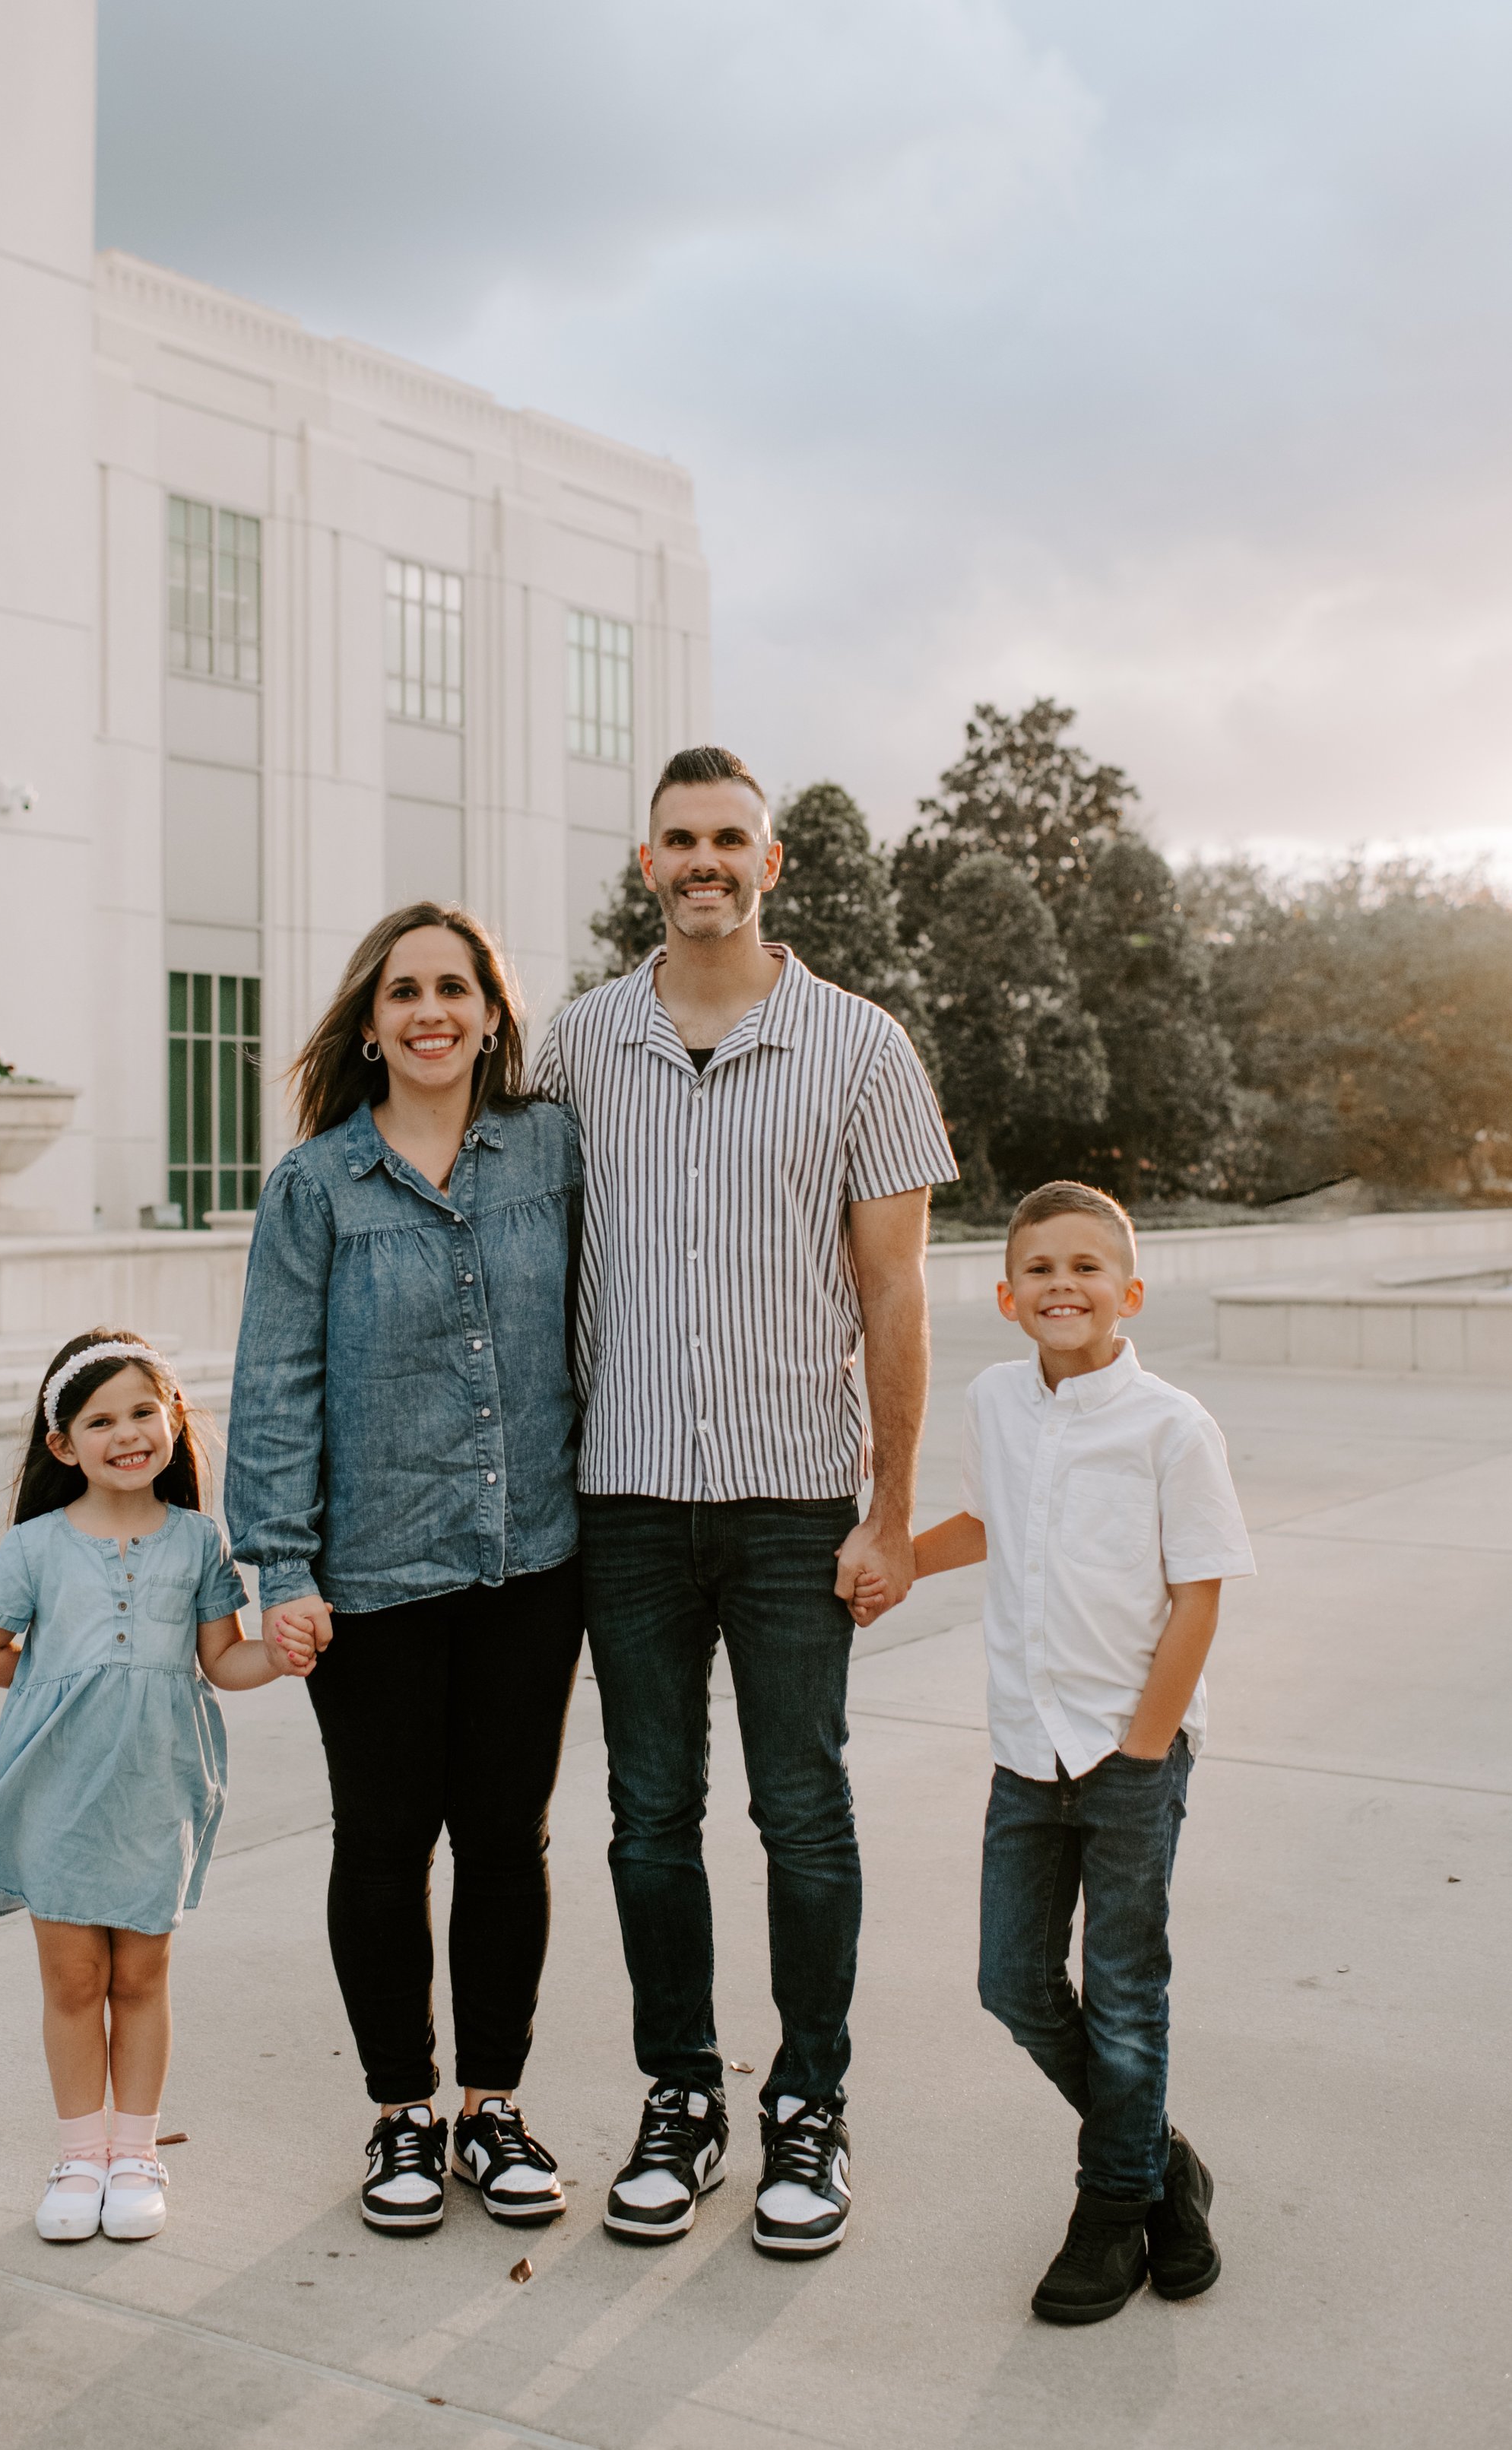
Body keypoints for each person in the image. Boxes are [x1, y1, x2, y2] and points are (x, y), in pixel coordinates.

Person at [531, 744, 958, 2260]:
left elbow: (896, 1295)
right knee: (647, 1816)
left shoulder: (859, 1048)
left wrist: (888, 1510)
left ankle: (809, 2110)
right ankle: (680, 2101)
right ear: (644, 864)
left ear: (769, 864)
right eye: (676, 840)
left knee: (802, 1814)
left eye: (728, 839)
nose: (702, 860)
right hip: (626, 1505)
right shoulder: (573, 1048)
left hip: (792, 1505)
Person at [227, 902, 584, 2238]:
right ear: (370, 1026)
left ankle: (492, 2106)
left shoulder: (552, 1150)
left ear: (493, 1014)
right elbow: (274, 1385)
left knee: (506, 1841)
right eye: (404, 993)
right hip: (368, 1576)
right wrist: (281, 1566)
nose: (430, 1011)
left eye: (455, 987)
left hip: (530, 1561)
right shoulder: (317, 1186)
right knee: (383, 1844)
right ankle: (399, 2118)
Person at [911, 1181, 1257, 2325]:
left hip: (1129, 1752)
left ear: (1130, 1290)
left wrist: (1146, 1746)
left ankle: (1113, 2208)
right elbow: (986, 1523)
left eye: (1086, 1266)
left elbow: (1199, 1598)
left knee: (1122, 1991)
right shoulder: (996, 1402)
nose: (1064, 1283)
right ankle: (1161, 2156)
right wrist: (893, 1562)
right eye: (1041, 1269)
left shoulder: (1171, 1424)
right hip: (1026, 1747)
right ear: (1007, 1297)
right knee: (1012, 1980)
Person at [0, 1328, 302, 2244]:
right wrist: (60, 1686)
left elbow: (221, 1660)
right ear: (64, 1445)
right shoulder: (35, 1548)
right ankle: (79, 2154)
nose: (127, 1434)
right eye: (100, 1421)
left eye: (144, 1411)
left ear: (175, 1419)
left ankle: (136, 2152)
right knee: (74, 1979)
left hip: (157, 1781)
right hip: (58, 1785)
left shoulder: (195, 1542)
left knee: (140, 1973)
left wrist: (282, 1652)